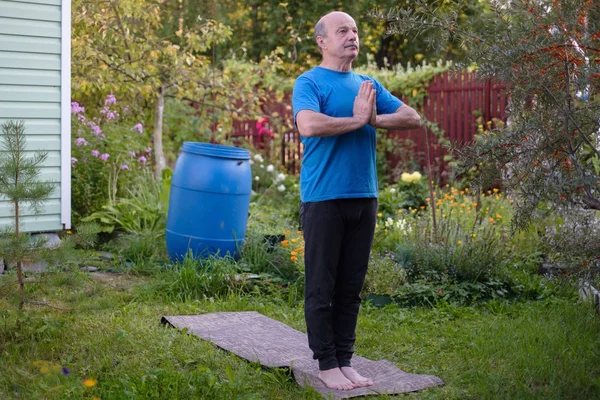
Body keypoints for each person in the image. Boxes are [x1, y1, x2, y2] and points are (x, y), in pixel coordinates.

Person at [291, 11, 422, 391]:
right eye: (342, 31)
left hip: (364, 197)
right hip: (323, 198)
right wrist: (357, 119)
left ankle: (345, 360)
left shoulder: (368, 83)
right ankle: (326, 363)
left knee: (351, 285)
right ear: (322, 41)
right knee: (321, 285)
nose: (351, 36)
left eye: (355, 31)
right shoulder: (309, 81)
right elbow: (309, 125)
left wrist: (373, 120)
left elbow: (412, 117)